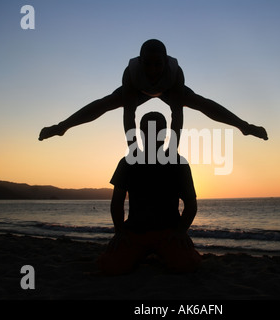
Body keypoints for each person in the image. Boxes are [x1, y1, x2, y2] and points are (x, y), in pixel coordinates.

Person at [38, 39, 268, 147]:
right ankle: (62, 127)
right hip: (137, 91)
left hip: (169, 91)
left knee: (200, 102)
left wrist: (172, 150)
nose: (153, 69)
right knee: (105, 103)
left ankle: (244, 126)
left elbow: (176, 115)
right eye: (148, 63)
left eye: (158, 64)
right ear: (140, 61)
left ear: (165, 62)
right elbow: (129, 116)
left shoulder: (175, 73)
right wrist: (133, 149)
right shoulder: (131, 73)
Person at [97, 112, 201, 275]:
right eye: (148, 129)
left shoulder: (178, 163)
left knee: (187, 265)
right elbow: (117, 202)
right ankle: (143, 255)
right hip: (135, 231)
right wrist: (119, 232)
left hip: (169, 232)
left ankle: (160, 255)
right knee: (110, 266)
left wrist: (181, 231)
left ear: (166, 134)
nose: (154, 134)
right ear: (141, 133)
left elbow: (191, 204)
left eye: (159, 130)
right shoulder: (128, 162)